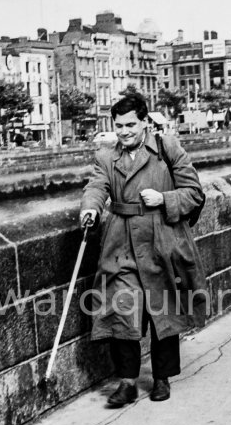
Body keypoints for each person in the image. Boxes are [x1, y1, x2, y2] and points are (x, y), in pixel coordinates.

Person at [80, 94, 207, 407]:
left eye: (130, 125)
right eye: (118, 125)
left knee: (161, 310)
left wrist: (164, 199)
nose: (124, 131)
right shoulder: (106, 156)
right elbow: (96, 187)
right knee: (121, 310)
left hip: (161, 240)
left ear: (146, 122)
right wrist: (90, 209)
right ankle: (127, 383)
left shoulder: (168, 149)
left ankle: (162, 378)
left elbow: (194, 193)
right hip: (120, 242)